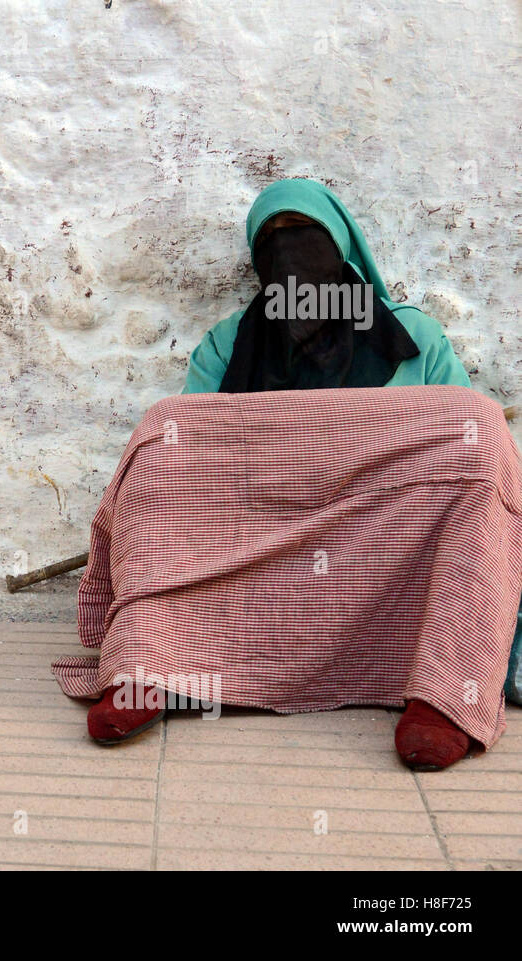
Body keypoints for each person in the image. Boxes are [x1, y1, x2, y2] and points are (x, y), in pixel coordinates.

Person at [79, 178, 509, 771]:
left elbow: (462, 455)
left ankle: (445, 698)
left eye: (306, 237)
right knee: (159, 444)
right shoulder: (228, 345)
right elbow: (191, 458)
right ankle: (151, 668)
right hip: (262, 534)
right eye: (274, 241)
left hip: (387, 539)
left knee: (480, 430)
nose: (292, 256)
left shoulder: (414, 338)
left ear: (342, 246)